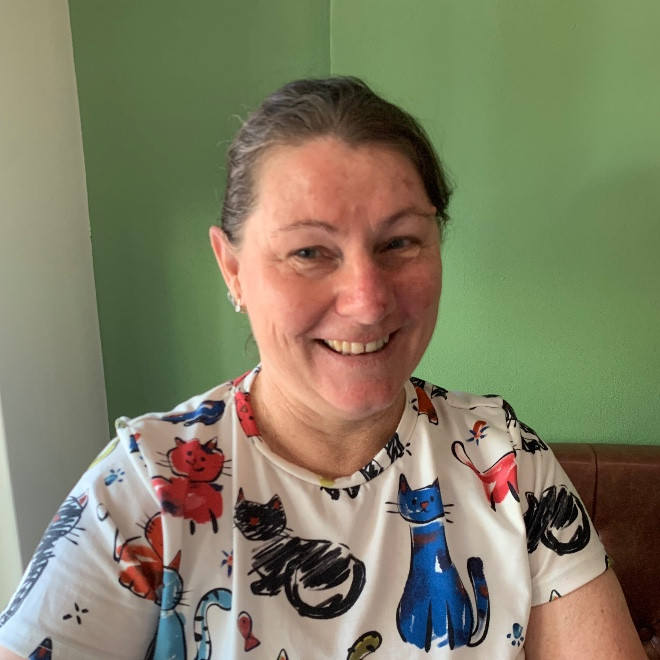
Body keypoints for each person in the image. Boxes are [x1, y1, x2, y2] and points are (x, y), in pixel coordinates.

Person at [0, 77, 645, 659]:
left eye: (399, 242)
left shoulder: (504, 458)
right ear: (233, 269)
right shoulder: (146, 490)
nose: (367, 302)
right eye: (309, 251)